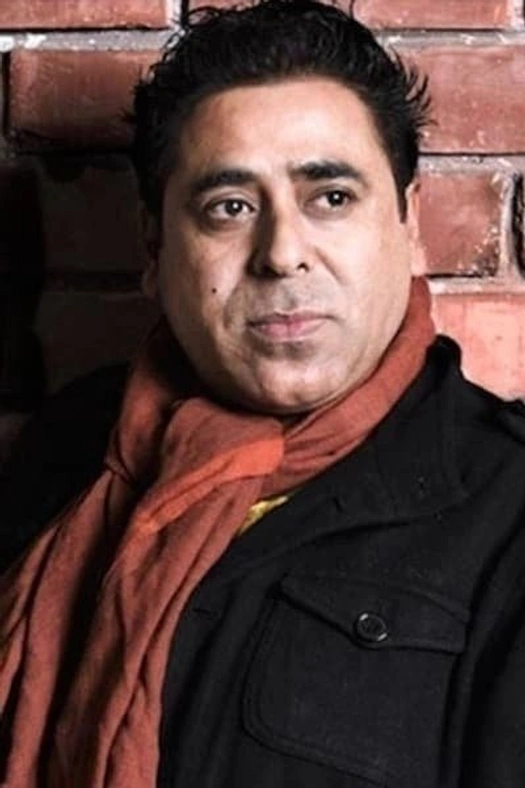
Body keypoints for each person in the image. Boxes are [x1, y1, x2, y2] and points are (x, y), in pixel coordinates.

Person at [2, 1, 525, 785]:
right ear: (155, 247)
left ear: (409, 223)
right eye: (230, 208)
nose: (281, 253)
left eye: (331, 197)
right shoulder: (68, 453)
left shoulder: (506, 508)